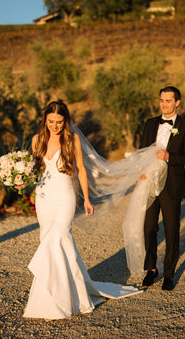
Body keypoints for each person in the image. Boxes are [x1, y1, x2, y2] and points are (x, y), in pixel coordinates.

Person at [23, 100, 141, 320]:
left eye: (59, 122)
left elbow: (81, 171)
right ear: (44, 120)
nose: (55, 126)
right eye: (51, 122)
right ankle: (59, 294)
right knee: (49, 239)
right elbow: (35, 172)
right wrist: (21, 182)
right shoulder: (37, 140)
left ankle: (61, 297)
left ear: (65, 121)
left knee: (58, 236)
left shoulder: (72, 139)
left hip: (65, 195)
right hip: (43, 197)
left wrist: (86, 199)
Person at [140, 86, 185, 291]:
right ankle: (151, 269)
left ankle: (169, 274)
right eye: (162, 100)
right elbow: (142, 152)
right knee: (148, 228)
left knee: (172, 231)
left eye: (169, 101)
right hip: (150, 183)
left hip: (172, 185)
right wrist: (141, 172)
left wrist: (170, 157)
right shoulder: (149, 124)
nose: (164, 104)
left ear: (177, 102)